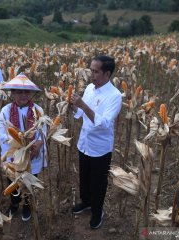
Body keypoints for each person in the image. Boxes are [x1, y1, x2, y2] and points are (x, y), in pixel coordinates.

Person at [70, 55, 122, 229]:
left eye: (95, 71)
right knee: (84, 178)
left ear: (107, 74)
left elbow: (105, 123)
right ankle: (86, 202)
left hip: (100, 148)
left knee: (98, 183)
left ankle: (97, 211)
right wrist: (73, 105)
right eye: (90, 70)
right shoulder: (90, 88)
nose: (91, 75)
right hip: (84, 143)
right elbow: (80, 114)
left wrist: (83, 105)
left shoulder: (114, 96)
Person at [0, 73, 45, 222]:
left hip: (33, 154)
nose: (23, 95)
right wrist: (18, 146)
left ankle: (27, 205)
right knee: (13, 181)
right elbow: (2, 135)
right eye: (19, 91)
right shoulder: (5, 111)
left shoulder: (38, 110)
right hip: (14, 155)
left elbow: (42, 131)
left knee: (30, 181)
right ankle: (14, 203)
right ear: (12, 93)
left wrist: (38, 143)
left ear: (31, 93)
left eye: (26, 92)